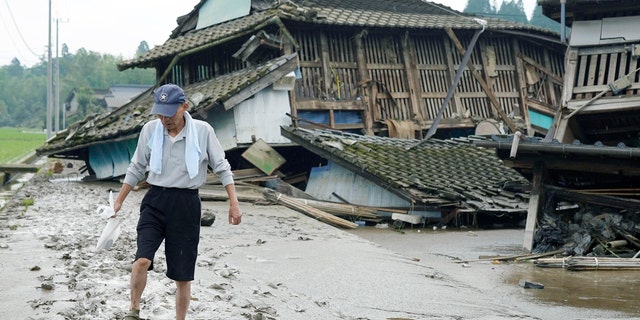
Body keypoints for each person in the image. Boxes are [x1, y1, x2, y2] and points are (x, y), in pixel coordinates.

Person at [113, 83, 242, 320]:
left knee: (182, 275)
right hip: (155, 200)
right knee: (142, 259)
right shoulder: (150, 130)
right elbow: (136, 167)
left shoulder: (203, 132)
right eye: (160, 113)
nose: (165, 119)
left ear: (184, 106)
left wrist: (234, 203)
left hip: (186, 204)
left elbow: (222, 167)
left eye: (170, 112)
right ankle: (133, 311)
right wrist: (119, 200)